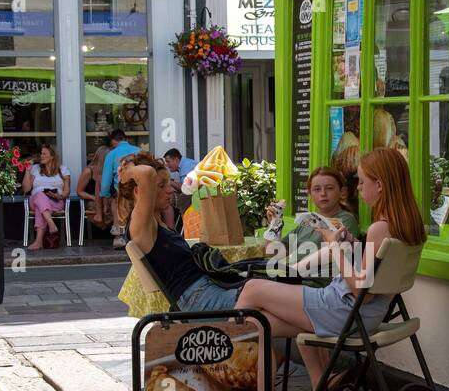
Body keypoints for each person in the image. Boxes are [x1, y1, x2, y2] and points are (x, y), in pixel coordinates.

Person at [237, 147, 426, 391]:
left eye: (362, 181)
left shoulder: (379, 228)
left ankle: (225, 368)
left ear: (380, 185)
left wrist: (334, 247)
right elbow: (370, 278)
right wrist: (349, 244)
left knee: (252, 287)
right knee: (259, 322)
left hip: (344, 309)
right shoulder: (406, 224)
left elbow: (362, 290)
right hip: (361, 314)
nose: (358, 188)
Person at [117, 153, 247, 312]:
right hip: (199, 300)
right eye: (161, 185)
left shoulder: (157, 223)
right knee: (256, 290)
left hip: (206, 293)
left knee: (260, 295)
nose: (170, 190)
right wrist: (128, 171)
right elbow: (146, 174)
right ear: (139, 191)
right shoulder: (142, 226)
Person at [273, 166, 360, 260]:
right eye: (317, 189)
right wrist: (274, 224)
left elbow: (335, 255)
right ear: (310, 195)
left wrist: (296, 267)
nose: (323, 193)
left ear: (342, 192)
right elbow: (276, 252)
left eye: (329, 188)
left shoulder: (346, 220)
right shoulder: (308, 220)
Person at [99, 128, 143, 249]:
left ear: (113, 141)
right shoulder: (139, 151)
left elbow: (106, 182)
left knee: (116, 204)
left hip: (121, 189)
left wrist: (106, 196)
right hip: (140, 188)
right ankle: (138, 237)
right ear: (125, 139)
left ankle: (119, 236)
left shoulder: (112, 154)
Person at [22, 144, 70, 250]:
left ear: (52, 156)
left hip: (56, 201)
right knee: (40, 195)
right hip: (35, 200)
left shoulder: (63, 169)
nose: (41, 156)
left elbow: (66, 191)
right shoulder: (35, 168)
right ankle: (51, 223)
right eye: (41, 153)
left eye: (44, 154)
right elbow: (26, 189)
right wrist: (27, 171)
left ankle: (38, 241)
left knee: (41, 208)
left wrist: (59, 196)